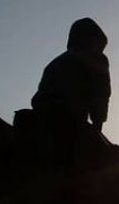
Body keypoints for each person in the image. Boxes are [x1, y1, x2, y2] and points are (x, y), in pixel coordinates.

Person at [28, 17, 111, 166]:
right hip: (68, 122)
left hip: (39, 116)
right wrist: (97, 127)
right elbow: (101, 95)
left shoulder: (54, 62)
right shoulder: (97, 59)